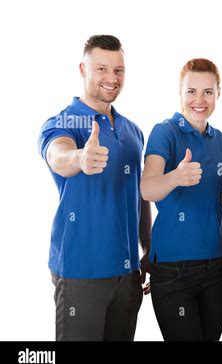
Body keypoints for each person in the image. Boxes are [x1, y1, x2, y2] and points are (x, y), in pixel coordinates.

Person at [38, 35, 151, 341]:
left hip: (128, 277)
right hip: (80, 273)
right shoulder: (63, 122)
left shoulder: (132, 130)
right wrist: (80, 157)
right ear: (82, 70)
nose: (112, 79)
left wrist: (149, 246)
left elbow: (139, 195)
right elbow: (57, 155)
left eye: (119, 70)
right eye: (101, 69)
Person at [141, 58, 222, 341]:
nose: (199, 100)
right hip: (173, 271)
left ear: (218, 93)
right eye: (191, 91)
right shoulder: (164, 132)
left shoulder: (220, 140)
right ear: (180, 93)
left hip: (218, 267)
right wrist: (176, 177)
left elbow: (215, 203)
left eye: (208, 91)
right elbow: (147, 188)